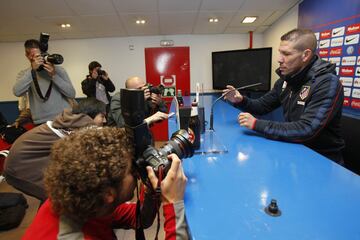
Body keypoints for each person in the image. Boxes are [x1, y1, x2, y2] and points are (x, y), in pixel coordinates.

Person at [22, 127, 189, 239]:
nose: (137, 174)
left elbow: (139, 219)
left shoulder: (82, 198)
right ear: (109, 193)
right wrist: (173, 204)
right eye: (131, 171)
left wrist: (152, 193)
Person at [223, 28, 345, 164]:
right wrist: (241, 100)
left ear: (305, 55)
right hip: (293, 150)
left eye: (286, 54)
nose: (279, 59)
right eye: (280, 53)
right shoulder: (286, 81)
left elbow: (307, 129)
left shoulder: (327, 83)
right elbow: (262, 106)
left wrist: (257, 124)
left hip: (322, 160)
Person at [4, 98, 107, 201]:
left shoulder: (70, 121)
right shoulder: (79, 126)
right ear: (90, 114)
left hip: (19, 164)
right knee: (61, 198)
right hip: (19, 169)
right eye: (102, 116)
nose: (105, 120)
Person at [13, 39, 76, 125]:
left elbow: (71, 94)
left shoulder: (59, 70)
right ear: (28, 56)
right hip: (41, 121)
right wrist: (32, 72)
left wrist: (54, 76)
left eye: (41, 55)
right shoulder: (25, 74)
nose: (40, 59)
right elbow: (17, 92)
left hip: (63, 118)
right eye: (35, 56)